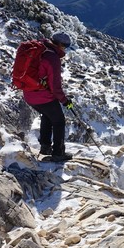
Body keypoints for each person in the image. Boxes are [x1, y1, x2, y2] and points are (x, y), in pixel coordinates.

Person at [23, 32, 74, 162]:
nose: (65, 49)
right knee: (59, 121)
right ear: (60, 45)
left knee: (47, 115)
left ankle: (45, 147)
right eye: (65, 46)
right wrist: (66, 101)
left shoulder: (41, 49)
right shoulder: (53, 59)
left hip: (29, 94)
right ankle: (58, 153)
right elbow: (55, 87)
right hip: (43, 96)